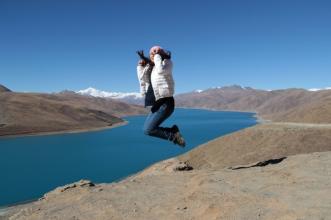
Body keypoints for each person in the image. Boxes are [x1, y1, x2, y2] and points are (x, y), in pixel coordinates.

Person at [136, 46, 186, 147]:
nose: (153, 55)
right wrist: (140, 67)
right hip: (158, 103)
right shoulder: (152, 68)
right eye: (151, 53)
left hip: (166, 102)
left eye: (155, 52)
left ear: (161, 53)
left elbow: (161, 71)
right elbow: (143, 80)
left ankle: (173, 135)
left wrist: (157, 56)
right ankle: (173, 132)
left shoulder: (167, 63)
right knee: (146, 130)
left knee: (150, 129)